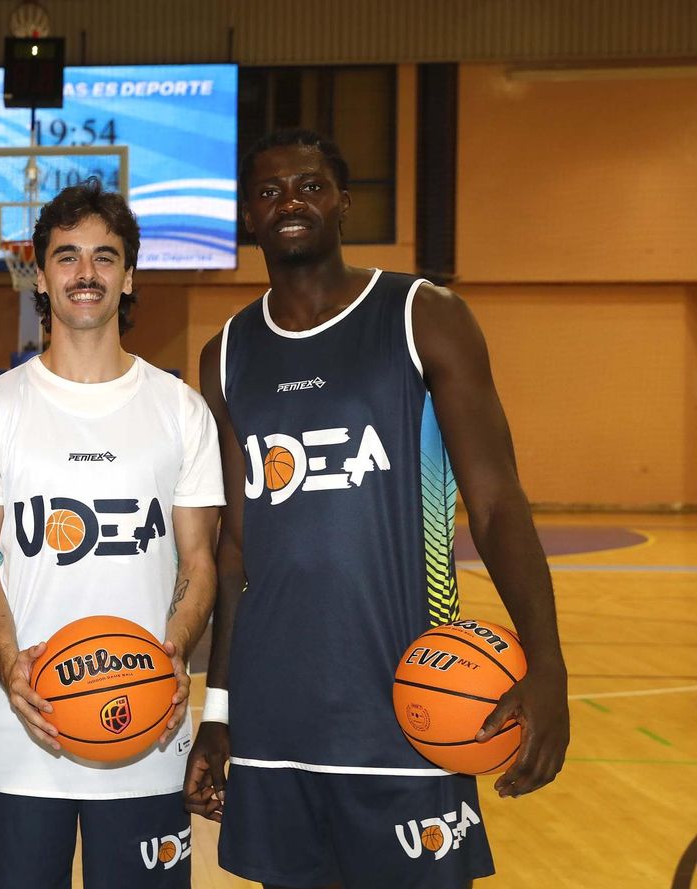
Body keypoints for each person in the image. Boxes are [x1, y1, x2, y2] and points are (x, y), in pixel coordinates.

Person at [184, 130, 570, 888]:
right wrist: (220, 707)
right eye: (268, 192)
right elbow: (235, 550)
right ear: (249, 220)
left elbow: (495, 504)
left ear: (344, 203)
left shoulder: (422, 314)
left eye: (309, 185)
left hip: (413, 703)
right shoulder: (225, 353)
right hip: (275, 716)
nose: (289, 201)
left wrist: (548, 661)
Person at [0, 181, 223, 888]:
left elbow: (198, 559)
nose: (85, 273)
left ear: (129, 275)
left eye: (105, 256)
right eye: (67, 257)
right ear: (40, 272)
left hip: (147, 730)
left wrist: (174, 651)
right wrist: (11, 667)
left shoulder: (181, 410)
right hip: (23, 734)